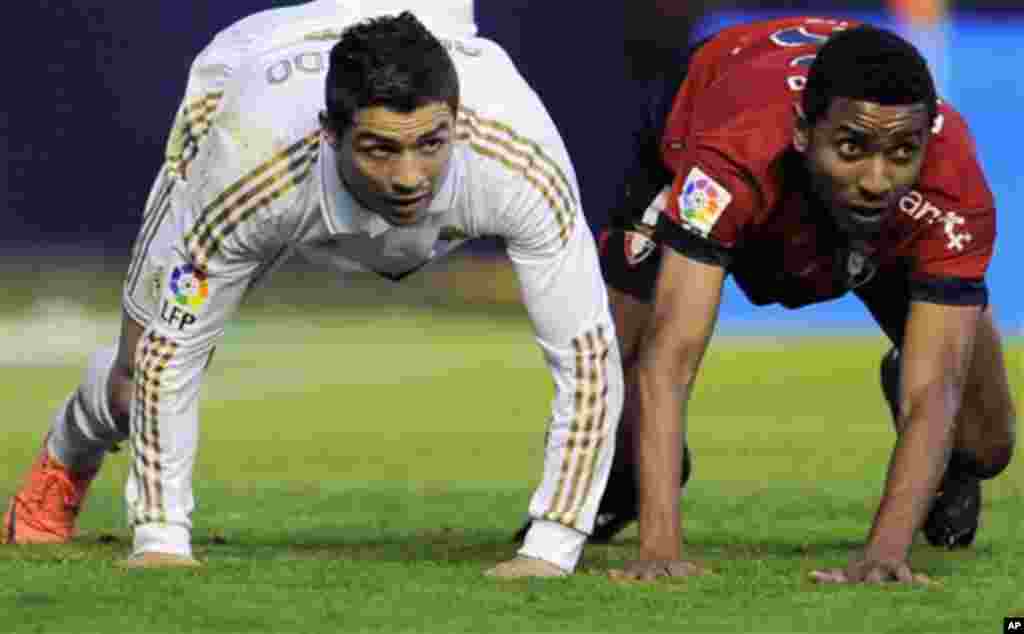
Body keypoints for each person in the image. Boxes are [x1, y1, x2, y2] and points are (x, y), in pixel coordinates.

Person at [4, 6, 624, 578]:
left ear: (456, 123)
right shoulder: (248, 163)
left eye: (430, 145)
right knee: (133, 379)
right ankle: (67, 452)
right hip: (252, 122)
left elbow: (588, 355)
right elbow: (172, 352)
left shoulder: (519, 162)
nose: (410, 178)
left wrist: (553, 545)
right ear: (330, 132)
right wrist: (161, 538)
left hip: (416, 128)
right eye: (381, 148)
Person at [591, 17, 1015, 583]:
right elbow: (669, 360)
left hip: (877, 230)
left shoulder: (953, 190)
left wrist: (884, 558)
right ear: (799, 131)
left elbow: (936, 388)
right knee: (613, 367)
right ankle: (625, 479)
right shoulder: (730, 159)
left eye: (902, 153)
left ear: (927, 139)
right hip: (710, 117)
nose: (876, 179)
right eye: (852, 148)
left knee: (987, 445)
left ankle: (941, 457)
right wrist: (660, 550)